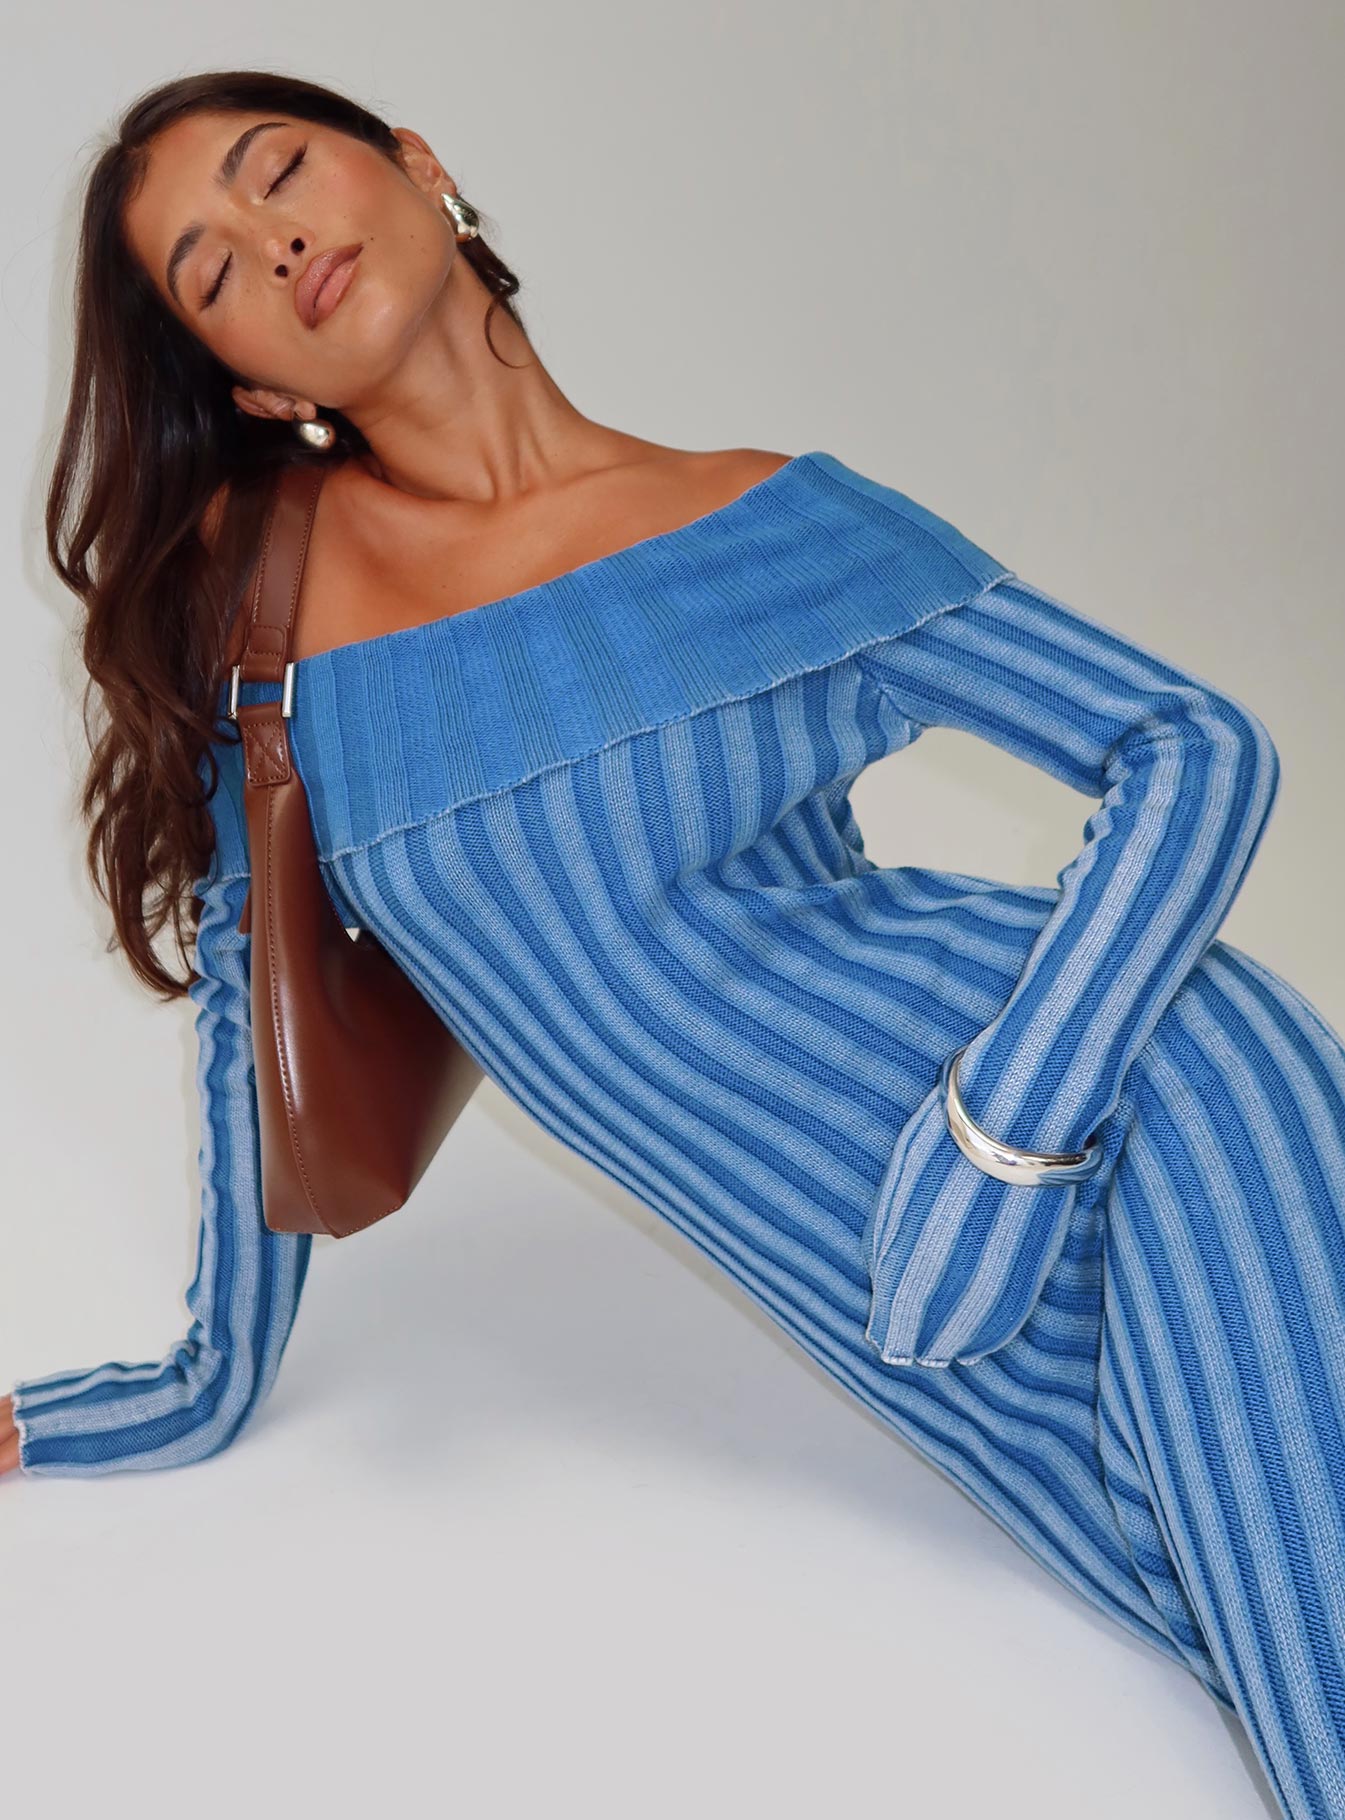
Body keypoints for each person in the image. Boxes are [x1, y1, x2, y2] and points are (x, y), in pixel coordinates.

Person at [4, 68, 1343, 1820]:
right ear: (254, 383)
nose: (268, 242)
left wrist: (1000, 1142)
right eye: (208, 269)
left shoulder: (776, 524)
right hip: (926, 1322)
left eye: (281, 172)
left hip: (1150, 1102)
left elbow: (1190, 746)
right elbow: (261, 1014)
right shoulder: (265, 605)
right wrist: (187, 1391)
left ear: (415, 166)